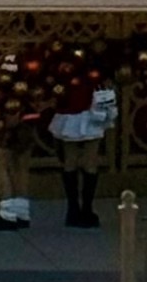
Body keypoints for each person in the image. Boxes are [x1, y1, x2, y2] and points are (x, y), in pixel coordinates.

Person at [47, 81, 118, 228]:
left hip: (75, 103)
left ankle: (74, 210)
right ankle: (85, 209)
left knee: (71, 159)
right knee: (89, 159)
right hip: (90, 103)